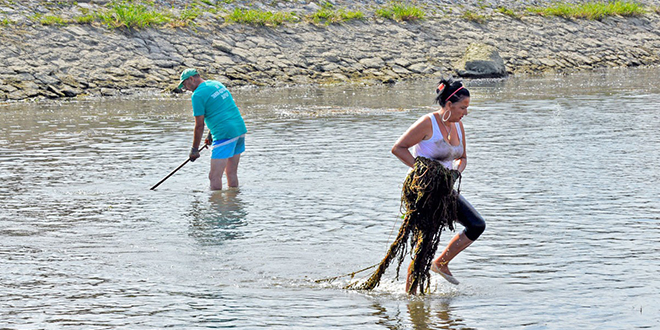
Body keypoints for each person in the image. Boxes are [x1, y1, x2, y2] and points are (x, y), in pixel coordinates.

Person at [391, 77, 485, 289]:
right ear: (449, 104)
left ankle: (441, 263)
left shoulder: (458, 125)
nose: (466, 113)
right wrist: (423, 170)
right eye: (463, 107)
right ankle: (412, 301)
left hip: (445, 188)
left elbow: (463, 158)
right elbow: (398, 148)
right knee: (423, 246)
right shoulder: (428, 123)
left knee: (476, 224)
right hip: (423, 190)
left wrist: (456, 173)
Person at [178, 68, 247, 190]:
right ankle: (233, 204)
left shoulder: (197, 95)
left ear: (191, 79)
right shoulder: (216, 84)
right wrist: (210, 135)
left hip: (224, 134)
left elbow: (199, 126)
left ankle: (216, 207)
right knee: (231, 173)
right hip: (239, 130)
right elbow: (221, 108)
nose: (186, 88)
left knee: (214, 177)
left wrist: (194, 150)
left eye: (185, 84)